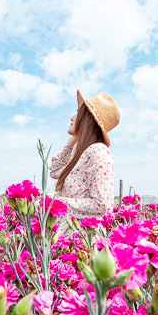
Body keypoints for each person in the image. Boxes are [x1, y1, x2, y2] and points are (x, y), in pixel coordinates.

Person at [49, 90, 120, 227]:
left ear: (87, 119)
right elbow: (55, 170)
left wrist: (57, 203)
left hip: (81, 241)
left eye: (77, 111)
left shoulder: (98, 151)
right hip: (68, 239)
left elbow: (102, 206)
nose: (72, 117)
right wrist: (72, 141)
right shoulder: (82, 155)